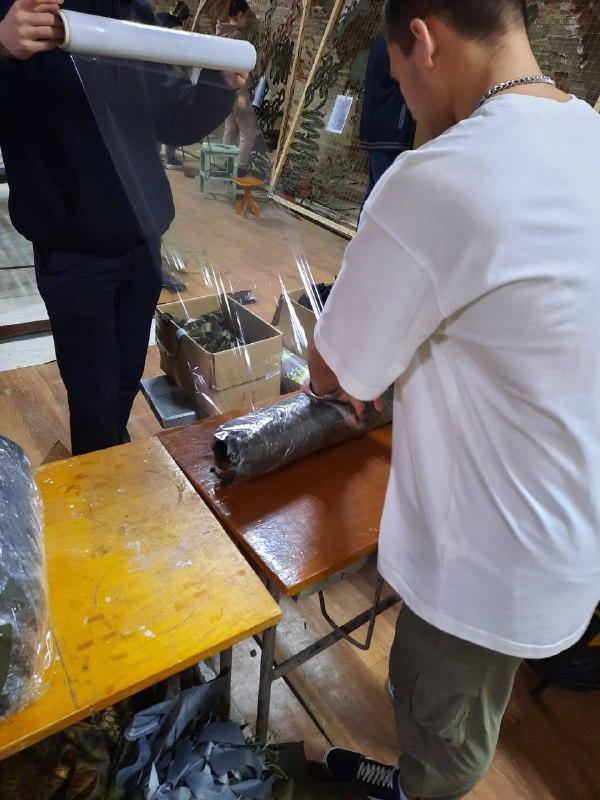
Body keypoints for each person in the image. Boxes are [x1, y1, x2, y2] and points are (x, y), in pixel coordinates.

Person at [308, 1, 600, 798]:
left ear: (424, 40)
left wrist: (347, 364)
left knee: (443, 731)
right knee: (471, 704)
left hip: (481, 562)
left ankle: (418, 788)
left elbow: (335, 372)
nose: (403, 95)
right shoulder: (588, 135)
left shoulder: (445, 174)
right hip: (565, 535)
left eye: (397, 73)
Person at [0, 0, 241, 455]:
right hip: (73, 252)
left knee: (124, 381)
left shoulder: (128, 12)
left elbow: (173, 116)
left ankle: (110, 458)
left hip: (143, 243)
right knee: (93, 398)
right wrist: (2, 48)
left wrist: (217, 84)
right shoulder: (20, 13)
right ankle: (101, 472)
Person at [360, 32, 415, 205]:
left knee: (375, 191)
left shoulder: (382, 39)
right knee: (386, 195)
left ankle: (364, 223)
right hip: (390, 129)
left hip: (377, 127)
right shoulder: (398, 43)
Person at [216, 0, 257, 176]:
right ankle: (240, 170)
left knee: (230, 128)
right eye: (246, 16)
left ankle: (225, 166)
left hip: (224, 88)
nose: (246, 20)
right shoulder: (237, 35)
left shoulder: (221, 32)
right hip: (238, 90)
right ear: (240, 14)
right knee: (249, 130)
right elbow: (241, 67)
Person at [156, 0, 191, 170]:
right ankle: (170, 158)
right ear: (183, 18)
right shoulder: (179, 32)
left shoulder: (154, 22)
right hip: (173, 80)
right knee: (172, 120)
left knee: (157, 118)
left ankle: (154, 157)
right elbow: (184, 60)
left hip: (154, 77)